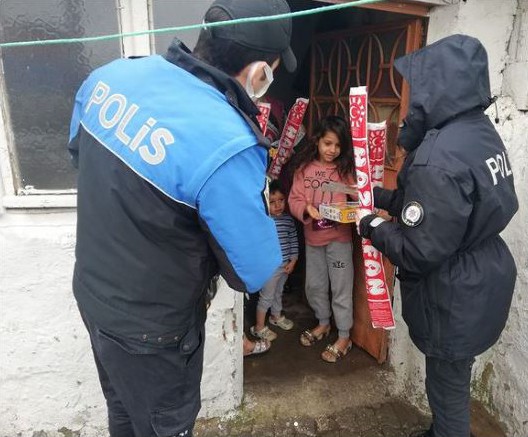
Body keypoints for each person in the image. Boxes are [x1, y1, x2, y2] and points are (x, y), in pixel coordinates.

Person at [67, 0, 297, 435]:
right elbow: (253, 269)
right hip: (152, 334)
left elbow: (81, 156)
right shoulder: (228, 143)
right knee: (161, 425)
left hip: (93, 296)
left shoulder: (112, 76)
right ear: (258, 73)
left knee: (123, 413)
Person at [356, 34, 519, 437]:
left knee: (446, 386)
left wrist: (371, 225)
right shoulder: (478, 132)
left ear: (440, 88)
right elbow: (448, 211)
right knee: (453, 377)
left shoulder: (438, 156)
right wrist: (385, 198)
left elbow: (419, 249)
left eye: (421, 89)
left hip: (452, 290)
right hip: (481, 274)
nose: (413, 101)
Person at [288, 115, 356, 363]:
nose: (332, 150)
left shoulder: (344, 172)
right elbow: (294, 200)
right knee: (314, 286)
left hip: (339, 240)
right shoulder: (304, 171)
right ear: (317, 141)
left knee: (341, 287)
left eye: (338, 145)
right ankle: (324, 323)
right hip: (313, 240)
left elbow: (358, 197)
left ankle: (345, 335)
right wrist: (306, 208)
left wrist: (353, 208)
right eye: (328, 143)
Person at [251, 179, 299, 341]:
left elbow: (293, 241)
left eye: (281, 200)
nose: (278, 205)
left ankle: (275, 317)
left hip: (284, 266)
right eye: (272, 202)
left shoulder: (288, 220)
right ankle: (259, 327)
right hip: (269, 268)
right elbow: (257, 245)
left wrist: (293, 261)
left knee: (278, 293)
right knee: (267, 296)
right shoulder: (263, 221)